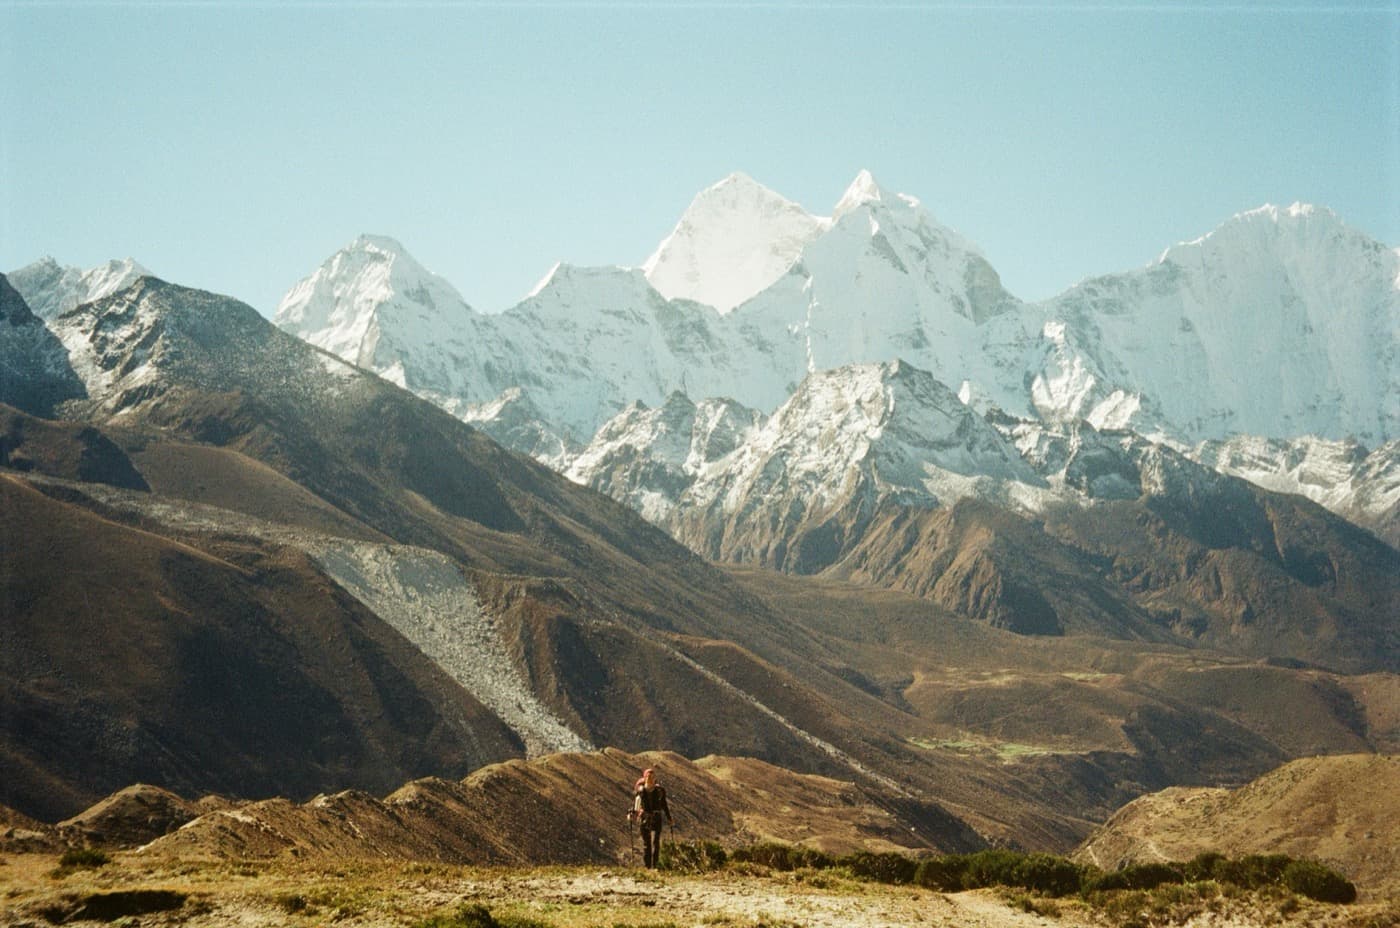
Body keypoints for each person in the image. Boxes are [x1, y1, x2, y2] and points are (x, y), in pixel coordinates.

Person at [629, 767, 672, 868]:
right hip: (645, 818)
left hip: (655, 818)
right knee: (647, 844)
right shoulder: (641, 791)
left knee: (655, 843)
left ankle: (655, 866)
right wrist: (632, 813)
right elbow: (636, 804)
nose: (650, 778)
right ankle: (648, 867)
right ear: (645, 778)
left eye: (652, 777)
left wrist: (669, 817)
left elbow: (664, 805)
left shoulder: (659, 791)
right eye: (648, 776)